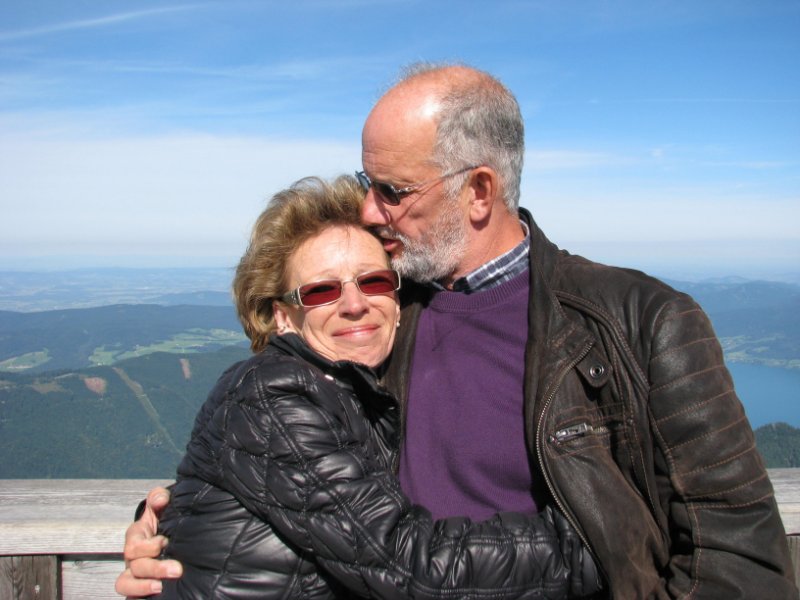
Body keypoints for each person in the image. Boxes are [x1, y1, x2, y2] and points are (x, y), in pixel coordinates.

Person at [117, 64, 798, 598]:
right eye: (366, 182)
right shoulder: (377, 315)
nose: (369, 209)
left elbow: (738, 555)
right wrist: (177, 530)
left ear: (477, 191)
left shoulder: (641, 321)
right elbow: (297, 465)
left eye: (392, 190)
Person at [143, 174, 601, 599]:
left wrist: (165, 519)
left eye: (374, 281)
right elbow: (409, 564)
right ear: (283, 316)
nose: (355, 304)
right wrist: (599, 547)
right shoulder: (272, 395)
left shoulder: (353, 392)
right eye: (321, 291)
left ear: (397, 300)